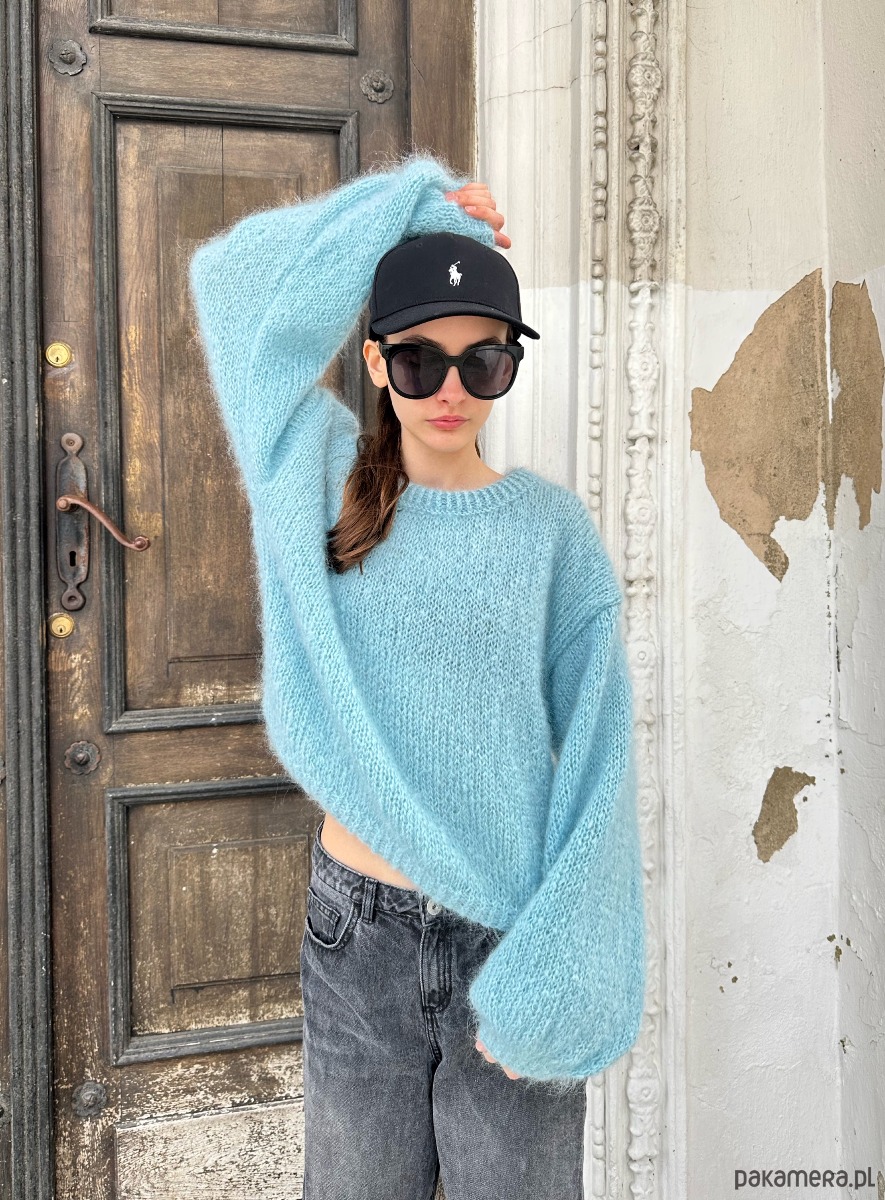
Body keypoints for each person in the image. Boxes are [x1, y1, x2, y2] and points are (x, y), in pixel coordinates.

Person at [189, 153, 645, 1200]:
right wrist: (402, 204)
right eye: (418, 359)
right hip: (357, 936)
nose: (449, 390)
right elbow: (233, 285)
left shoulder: (551, 534)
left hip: (506, 932)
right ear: (376, 359)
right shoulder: (320, 481)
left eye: (482, 362)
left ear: (510, 363)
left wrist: (558, 973)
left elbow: (601, 757)